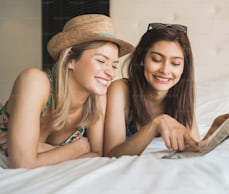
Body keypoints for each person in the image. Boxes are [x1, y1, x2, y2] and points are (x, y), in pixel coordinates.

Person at [0, 14, 134, 168]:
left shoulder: (96, 99)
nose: (111, 73)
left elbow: (97, 154)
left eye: (114, 65)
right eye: (101, 61)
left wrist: (44, 149)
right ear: (70, 58)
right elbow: (23, 163)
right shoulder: (35, 81)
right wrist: (80, 147)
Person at [104, 23, 203, 157]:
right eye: (156, 59)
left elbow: (193, 148)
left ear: (184, 68)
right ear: (142, 59)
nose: (165, 70)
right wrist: (156, 123)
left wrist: (215, 132)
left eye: (175, 63)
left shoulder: (181, 96)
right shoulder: (120, 90)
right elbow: (111, 154)